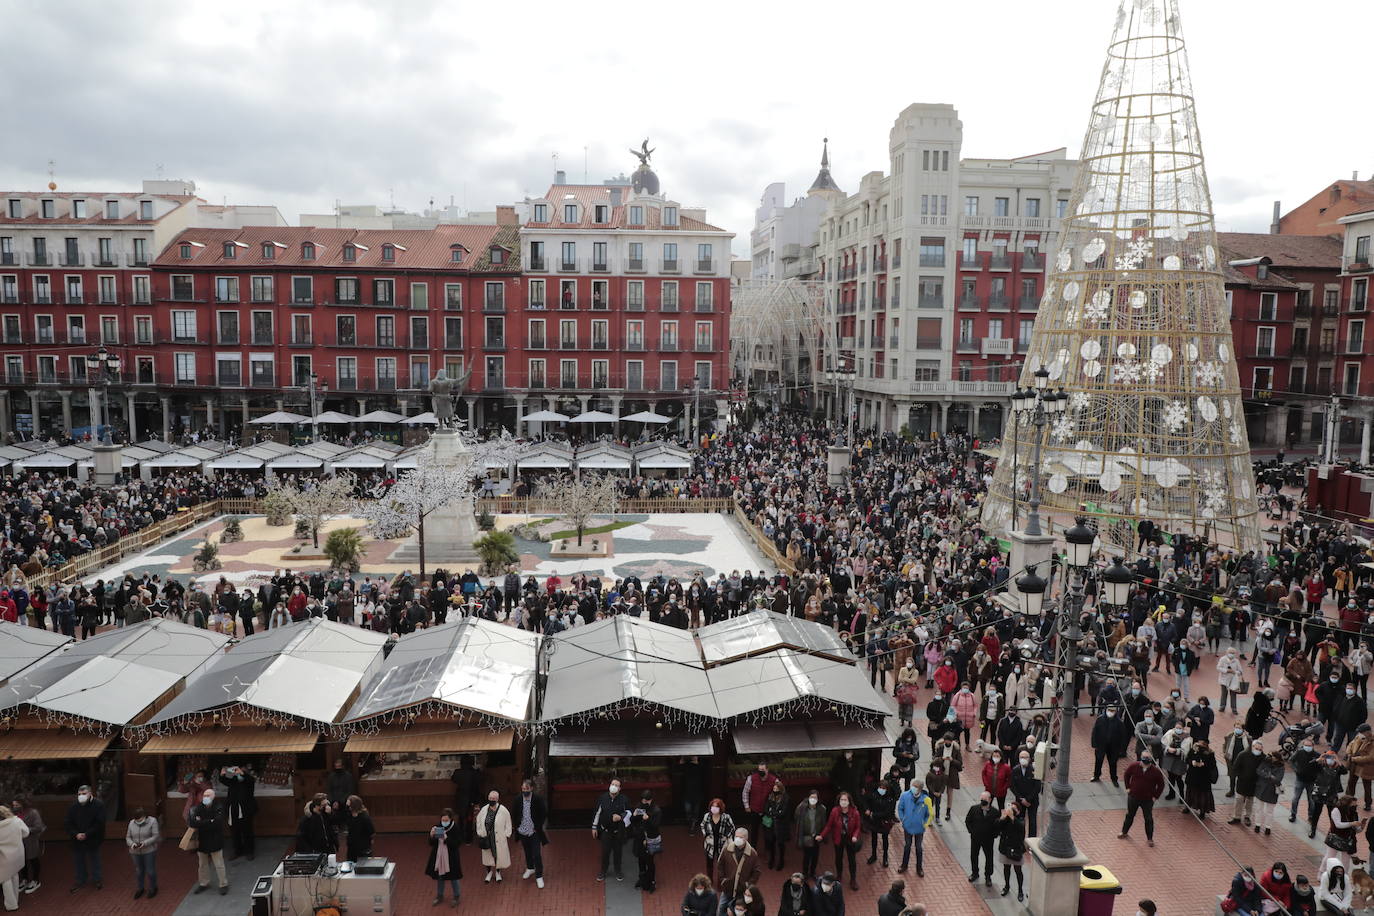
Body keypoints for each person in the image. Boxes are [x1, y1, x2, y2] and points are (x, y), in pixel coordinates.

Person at [64, 784, 106, 892]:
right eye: (79, 794)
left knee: (95, 859)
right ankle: (80, 880)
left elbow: (99, 823)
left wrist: (87, 834)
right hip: (77, 839)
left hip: (93, 838)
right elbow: (68, 823)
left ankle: (97, 879)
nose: (81, 796)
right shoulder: (73, 806)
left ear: (90, 794)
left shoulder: (98, 805)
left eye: (84, 794)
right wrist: (76, 834)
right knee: (78, 860)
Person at [188, 787, 229, 896]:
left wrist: (201, 822)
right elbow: (192, 822)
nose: (205, 798)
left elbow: (218, 823)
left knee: (219, 864)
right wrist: (209, 822)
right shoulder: (199, 807)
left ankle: (223, 884)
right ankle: (203, 883)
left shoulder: (218, 807)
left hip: (215, 840)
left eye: (208, 796)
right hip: (202, 841)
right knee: (202, 864)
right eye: (204, 796)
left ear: (213, 797)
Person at [818, 790, 862, 891]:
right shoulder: (835, 811)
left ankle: (853, 879)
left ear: (849, 801)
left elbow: (858, 827)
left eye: (845, 800)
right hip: (838, 838)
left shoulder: (855, 812)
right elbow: (829, 826)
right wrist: (822, 835)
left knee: (852, 860)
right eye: (841, 800)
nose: (843, 802)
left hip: (850, 839)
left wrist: (855, 836)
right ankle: (839, 876)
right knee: (838, 858)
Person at [1118, 752, 1164, 847]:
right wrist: (1127, 787)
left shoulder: (1156, 771)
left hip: (1147, 800)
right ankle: (1124, 832)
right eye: (1144, 758)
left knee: (1148, 819)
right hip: (1133, 797)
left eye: (1147, 758)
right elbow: (1127, 775)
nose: (1145, 761)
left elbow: (1161, 785)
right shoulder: (1134, 766)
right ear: (1141, 758)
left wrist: (1155, 796)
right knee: (1129, 815)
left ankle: (1150, 839)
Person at [713, 828, 761, 915]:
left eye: (741, 837)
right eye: (736, 836)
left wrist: (748, 884)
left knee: (738, 912)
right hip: (728, 888)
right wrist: (723, 879)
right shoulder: (727, 849)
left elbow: (756, 871)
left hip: (741, 890)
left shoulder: (752, 853)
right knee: (721, 909)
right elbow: (720, 865)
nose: (738, 839)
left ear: (746, 838)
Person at [592, 777, 629, 882]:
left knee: (618, 852)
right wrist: (594, 827)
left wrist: (621, 817)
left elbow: (629, 813)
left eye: (616, 785)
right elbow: (597, 813)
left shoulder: (624, 799)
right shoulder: (602, 798)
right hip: (606, 832)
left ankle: (618, 870)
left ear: (620, 788)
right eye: (613, 784)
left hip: (618, 832)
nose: (614, 787)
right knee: (605, 852)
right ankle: (603, 871)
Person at [513, 779, 548, 889]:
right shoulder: (518, 799)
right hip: (523, 830)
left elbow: (544, 812)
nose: (525, 791)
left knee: (536, 854)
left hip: (534, 831)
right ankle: (530, 868)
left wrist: (538, 826)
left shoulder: (538, 799)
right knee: (527, 851)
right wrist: (517, 827)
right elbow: (514, 813)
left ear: (531, 788)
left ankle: (539, 875)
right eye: (523, 789)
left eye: (527, 789)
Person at [425, 808, 462, 909]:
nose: (444, 822)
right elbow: (432, 843)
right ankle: (440, 895)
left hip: (451, 857)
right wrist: (432, 836)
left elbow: (457, 844)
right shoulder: (438, 827)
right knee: (440, 876)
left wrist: (446, 839)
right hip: (439, 856)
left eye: (446, 820)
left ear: (450, 819)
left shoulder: (455, 828)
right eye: (443, 820)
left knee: (453, 877)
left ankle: (456, 896)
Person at [895, 779, 933, 877]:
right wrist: (903, 819)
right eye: (913, 786)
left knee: (919, 848)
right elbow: (900, 808)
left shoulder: (926, 800)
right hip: (907, 826)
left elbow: (929, 814)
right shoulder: (905, 796)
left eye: (916, 787)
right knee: (907, 846)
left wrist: (924, 824)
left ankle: (919, 868)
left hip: (919, 829)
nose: (913, 788)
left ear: (920, 789)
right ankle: (904, 865)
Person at [218, 764, 256, 860]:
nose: (237, 772)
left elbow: (250, 780)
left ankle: (249, 851)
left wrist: (242, 773)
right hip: (233, 808)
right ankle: (237, 850)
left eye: (240, 771)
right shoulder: (233, 781)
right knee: (235, 831)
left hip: (245, 809)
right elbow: (224, 780)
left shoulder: (249, 781)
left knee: (247, 830)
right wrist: (222, 774)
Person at [475, 790, 512, 884]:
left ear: (497, 799)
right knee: (487, 855)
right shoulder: (484, 809)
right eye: (490, 798)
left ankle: (498, 872)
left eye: (494, 799)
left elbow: (508, 822)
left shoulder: (503, 810)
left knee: (497, 855)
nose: (492, 800)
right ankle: (488, 872)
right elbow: (478, 821)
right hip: (487, 836)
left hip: (498, 837)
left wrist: (507, 834)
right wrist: (479, 832)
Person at [630, 790, 662, 893]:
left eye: (646, 800)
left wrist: (648, 819)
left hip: (650, 838)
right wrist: (634, 815)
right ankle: (642, 878)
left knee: (649, 861)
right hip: (640, 837)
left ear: (651, 800)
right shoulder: (639, 806)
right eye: (643, 800)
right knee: (640, 859)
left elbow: (655, 826)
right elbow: (632, 821)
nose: (644, 802)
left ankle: (652, 881)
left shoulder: (656, 810)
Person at [125, 807, 160, 900]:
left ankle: (153, 887)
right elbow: (128, 837)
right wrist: (132, 844)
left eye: (140, 820)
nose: (138, 822)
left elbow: (156, 836)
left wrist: (145, 843)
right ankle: (140, 888)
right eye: (136, 820)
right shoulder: (132, 823)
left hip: (149, 850)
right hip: (135, 852)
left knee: (150, 871)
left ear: (144, 816)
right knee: (139, 871)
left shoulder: (152, 821)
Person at [965, 791, 999, 887]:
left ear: (990, 800)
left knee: (989, 857)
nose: (983, 801)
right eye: (982, 799)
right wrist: (971, 831)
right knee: (974, 855)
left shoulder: (995, 812)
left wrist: (994, 835)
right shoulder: (974, 809)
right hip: (976, 838)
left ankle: (988, 876)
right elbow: (968, 821)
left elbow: (998, 826)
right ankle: (974, 873)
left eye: (985, 799)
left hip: (988, 840)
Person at [1230, 738, 1266, 827]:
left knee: (1250, 801)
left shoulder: (1263, 757)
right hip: (1242, 782)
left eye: (1260, 750)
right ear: (1252, 747)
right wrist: (1239, 776)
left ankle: (1247, 817)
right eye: (1257, 749)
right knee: (1239, 800)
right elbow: (1235, 767)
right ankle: (1236, 817)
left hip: (1254, 784)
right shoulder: (1243, 755)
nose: (1258, 751)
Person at [11, 797, 44, 895]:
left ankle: (35, 880)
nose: (15, 807)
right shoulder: (14, 814)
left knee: (33, 860)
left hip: (30, 841)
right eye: (13, 805)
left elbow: (38, 827)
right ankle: (24, 879)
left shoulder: (33, 813)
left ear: (23, 804)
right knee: (21, 862)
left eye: (17, 805)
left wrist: (25, 830)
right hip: (18, 842)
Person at [0, 804, 30, 912]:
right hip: (17, 854)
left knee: (5, 879)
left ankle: (11, 905)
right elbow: (26, 833)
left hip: (3, 856)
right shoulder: (16, 821)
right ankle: (15, 900)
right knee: (15, 875)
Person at [996, 801, 1027, 902]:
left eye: (1014, 809)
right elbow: (998, 825)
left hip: (1016, 849)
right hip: (1006, 848)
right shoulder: (1007, 819)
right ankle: (1007, 886)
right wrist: (1003, 817)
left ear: (1018, 811)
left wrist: (1013, 817)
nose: (1012, 811)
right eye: (1011, 808)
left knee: (1018, 871)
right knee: (1006, 868)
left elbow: (1020, 828)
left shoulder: (1021, 820)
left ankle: (1020, 891)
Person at [1091, 706, 1129, 786]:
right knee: (1098, 761)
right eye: (1109, 710)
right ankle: (1096, 775)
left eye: (1113, 710)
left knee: (1113, 763)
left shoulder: (1119, 722)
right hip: (1101, 745)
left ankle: (1114, 779)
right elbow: (1095, 732)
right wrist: (1094, 743)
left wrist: (1121, 749)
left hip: (1113, 747)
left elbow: (1123, 736)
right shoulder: (1100, 719)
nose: (1111, 712)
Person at [862, 778, 895, 867]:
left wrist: (873, 814)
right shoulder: (873, 794)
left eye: (884, 788)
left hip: (884, 821)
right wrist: (867, 809)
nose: (881, 789)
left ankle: (885, 857)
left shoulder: (890, 799)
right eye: (880, 787)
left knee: (885, 839)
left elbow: (887, 812)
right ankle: (873, 855)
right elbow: (865, 800)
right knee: (874, 838)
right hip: (874, 821)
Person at [741, 762, 778, 842]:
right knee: (754, 830)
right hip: (754, 809)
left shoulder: (774, 780)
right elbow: (745, 792)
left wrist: (774, 808)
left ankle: (767, 849)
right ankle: (753, 848)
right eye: (759, 770)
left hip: (767, 811)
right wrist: (746, 806)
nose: (761, 771)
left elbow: (779, 794)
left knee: (767, 830)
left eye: (763, 770)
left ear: (767, 770)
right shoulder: (751, 779)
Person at [794, 790, 826, 880]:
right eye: (811, 797)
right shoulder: (802, 808)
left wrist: (822, 835)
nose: (813, 799)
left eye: (815, 797)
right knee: (806, 856)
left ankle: (812, 872)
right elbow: (796, 816)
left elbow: (823, 822)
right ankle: (805, 873)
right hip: (806, 836)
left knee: (815, 856)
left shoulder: (821, 809)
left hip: (817, 836)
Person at [1010, 748, 1042, 837]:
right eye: (1021, 757)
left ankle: (1031, 840)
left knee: (1032, 821)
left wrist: (1028, 799)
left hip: (1032, 801)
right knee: (1020, 821)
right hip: (1020, 802)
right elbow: (1012, 786)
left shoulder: (1034, 770)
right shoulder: (1015, 770)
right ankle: (1020, 840)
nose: (1023, 759)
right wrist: (1021, 799)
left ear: (1029, 759)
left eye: (1025, 757)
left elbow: (1037, 787)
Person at [1185, 739, 1219, 819]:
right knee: (1190, 792)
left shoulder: (1210, 753)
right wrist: (1192, 762)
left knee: (1203, 795)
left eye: (1202, 743)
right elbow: (1187, 759)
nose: (1199, 744)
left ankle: (1202, 811)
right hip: (1192, 776)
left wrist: (1204, 764)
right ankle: (1187, 807)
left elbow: (1212, 765)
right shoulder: (1193, 750)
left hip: (1204, 778)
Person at [1343, 723, 1374, 811]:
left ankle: (1368, 803)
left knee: (1367, 786)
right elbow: (1350, 744)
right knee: (1351, 783)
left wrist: (1355, 759)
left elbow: (1371, 757)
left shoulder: (1372, 741)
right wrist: (1349, 753)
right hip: (1354, 764)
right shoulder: (1359, 737)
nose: (1359, 734)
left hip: (1366, 767)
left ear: (1368, 732)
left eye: (1361, 732)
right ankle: (1348, 800)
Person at [702, 797, 736, 875]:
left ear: (720, 808)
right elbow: (702, 825)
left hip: (722, 844)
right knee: (709, 863)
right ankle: (709, 880)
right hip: (710, 844)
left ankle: (720, 882)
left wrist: (727, 836)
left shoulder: (726, 817)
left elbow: (732, 828)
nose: (714, 809)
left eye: (716, 807)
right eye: (713, 806)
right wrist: (705, 834)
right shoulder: (707, 816)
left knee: (721, 864)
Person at [1254, 752, 1285, 837]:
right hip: (1261, 789)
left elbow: (1278, 779)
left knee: (1269, 811)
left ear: (1277, 758)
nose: (1271, 758)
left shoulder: (1281, 767)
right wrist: (1270, 776)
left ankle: (1268, 827)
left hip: (1271, 791)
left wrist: (1266, 775)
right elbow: (1258, 771)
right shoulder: (1265, 762)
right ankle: (1257, 825)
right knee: (1258, 809)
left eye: (1273, 757)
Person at [1223, 723, 1253, 798]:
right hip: (1232, 759)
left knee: (1241, 777)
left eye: (1239, 728)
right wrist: (1225, 752)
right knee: (1232, 777)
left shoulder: (1248, 738)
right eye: (1236, 727)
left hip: (1243, 761)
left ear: (1243, 729)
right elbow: (1225, 745)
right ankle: (1231, 790)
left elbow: (1250, 749)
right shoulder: (1229, 736)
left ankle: (1241, 792)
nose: (1237, 729)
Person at [345, 796, 374, 863]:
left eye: (349, 806)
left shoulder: (364, 817)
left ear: (354, 806)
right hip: (351, 846)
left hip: (362, 847)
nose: (348, 808)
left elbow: (371, 832)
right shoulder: (349, 814)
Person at [1218, 647, 1245, 715]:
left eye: (1233, 653)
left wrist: (1234, 672)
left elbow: (1241, 671)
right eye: (1230, 653)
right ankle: (1222, 706)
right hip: (1224, 680)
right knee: (1224, 693)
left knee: (1233, 694)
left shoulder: (1236, 661)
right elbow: (1218, 668)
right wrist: (1226, 670)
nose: (1231, 654)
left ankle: (1234, 709)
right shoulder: (1222, 659)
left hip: (1233, 681)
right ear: (1227, 653)